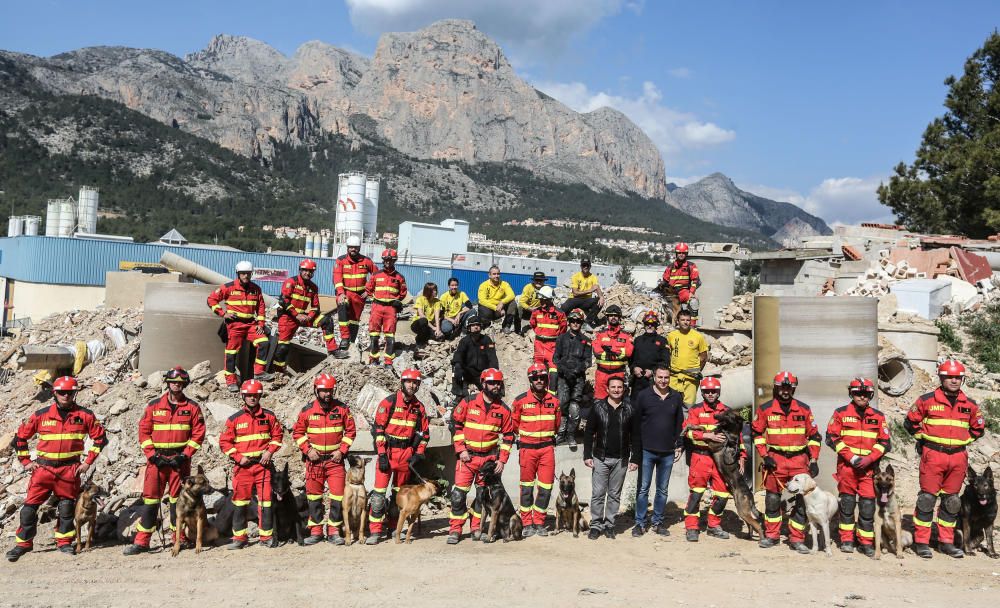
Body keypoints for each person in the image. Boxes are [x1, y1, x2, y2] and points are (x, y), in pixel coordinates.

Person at [7, 376, 107, 562]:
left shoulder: (85, 415)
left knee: (67, 508)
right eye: (62, 392)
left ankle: (64, 542)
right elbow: (19, 439)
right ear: (54, 393)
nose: (66, 396)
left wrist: (88, 462)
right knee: (29, 509)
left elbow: (100, 439)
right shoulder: (41, 415)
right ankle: (23, 544)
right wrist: (27, 462)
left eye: (70, 392)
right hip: (43, 470)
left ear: (75, 393)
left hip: (70, 470)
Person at [904, 359, 985, 559]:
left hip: (958, 457)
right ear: (941, 378)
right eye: (950, 377)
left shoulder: (971, 405)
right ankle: (922, 542)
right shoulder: (926, 400)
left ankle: (945, 542)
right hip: (933, 455)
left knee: (952, 502)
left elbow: (978, 429)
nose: (954, 381)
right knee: (927, 499)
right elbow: (910, 422)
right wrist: (922, 439)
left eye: (958, 377)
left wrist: (963, 440)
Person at [124, 367, 207, 555]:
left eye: (179, 382)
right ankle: (142, 542)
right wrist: (152, 455)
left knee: (177, 501)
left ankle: (179, 539)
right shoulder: (153, 406)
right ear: (167, 383)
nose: (176, 385)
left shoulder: (193, 407)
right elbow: (143, 432)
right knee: (150, 501)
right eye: (172, 382)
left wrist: (185, 455)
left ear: (184, 384)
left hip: (180, 462)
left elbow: (198, 434)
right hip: (157, 461)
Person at [751, 371, 822, 553]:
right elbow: (757, 433)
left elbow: (814, 436)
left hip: (800, 461)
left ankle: (797, 539)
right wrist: (765, 455)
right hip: (776, 460)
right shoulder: (765, 409)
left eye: (789, 388)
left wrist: (814, 460)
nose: (785, 391)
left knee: (801, 501)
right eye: (782, 387)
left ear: (793, 389)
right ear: (776, 388)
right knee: (773, 499)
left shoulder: (804, 409)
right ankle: (772, 536)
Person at [447, 368, 515, 544]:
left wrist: (502, 459)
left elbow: (508, 436)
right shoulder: (468, 402)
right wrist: (460, 449)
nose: (495, 386)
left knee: (481, 496)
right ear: (483, 383)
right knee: (458, 495)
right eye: (491, 383)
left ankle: (476, 527)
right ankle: (455, 529)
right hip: (467, 458)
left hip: (488, 461)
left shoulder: (504, 410)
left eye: (498, 383)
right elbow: (455, 424)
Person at [825, 377, 890, 557]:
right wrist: (851, 457)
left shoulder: (878, 416)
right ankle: (847, 540)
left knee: (867, 506)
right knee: (846, 504)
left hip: (869, 470)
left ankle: (866, 542)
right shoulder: (840, 414)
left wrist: (870, 458)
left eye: (865, 394)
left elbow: (885, 442)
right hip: (847, 468)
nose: (861, 397)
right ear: (851, 394)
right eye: (857, 393)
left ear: (870, 395)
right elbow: (831, 438)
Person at [293, 373, 357, 546]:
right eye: (323, 391)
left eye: (330, 390)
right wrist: (307, 450)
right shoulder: (307, 411)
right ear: (316, 390)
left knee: (337, 496)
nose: (327, 394)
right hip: (314, 462)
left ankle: (334, 531)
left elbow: (351, 432)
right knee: (313, 498)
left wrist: (342, 450)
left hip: (335, 462)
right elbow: (297, 433)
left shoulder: (342, 409)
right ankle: (316, 532)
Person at [219, 379, 284, 549]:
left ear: (260, 396)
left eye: (255, 395)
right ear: (243, 397)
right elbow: (224, 443)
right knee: (240, 502)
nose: (252, 398)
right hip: (243, 468)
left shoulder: (269, 416)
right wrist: (238, 457)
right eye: (249, 395)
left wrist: (269, 452)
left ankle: (266, 537)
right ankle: (240, 538)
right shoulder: (234, 419)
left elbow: (277, 437)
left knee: (266, 502)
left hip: (263, 467)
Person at [368, 368, 430, 544]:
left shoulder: (419, 408)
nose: (412, 385)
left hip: (406, 455)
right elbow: (378, 430)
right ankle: (375, 531)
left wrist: (418, 454)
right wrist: (381, 454)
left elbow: (425, 434)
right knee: (378, 495)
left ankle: (394, 528)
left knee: (400, 495)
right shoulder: (388, 403)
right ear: (402, 383)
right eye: (409, 382)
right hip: (388, 452)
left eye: (415, 382)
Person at [682, 377, 745, 542]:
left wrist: (742, 458)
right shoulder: (695, 410)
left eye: (714, 391)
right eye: (707, 391)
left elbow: (738, 437)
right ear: (702, 392)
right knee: (696, 494)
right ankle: (692, 527)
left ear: (718, 392)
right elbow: (688, 432)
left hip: (721, 460)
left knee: (723, 494)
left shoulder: (727, 411)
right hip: (700, 457)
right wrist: (706, 435)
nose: (710, 394)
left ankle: (714, 525)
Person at [631, 366, 685, 537]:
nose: (663, 380)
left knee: (662, 490)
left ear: (670, 378)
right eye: (660, 377)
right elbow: (636, 424)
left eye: (666, 377)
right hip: (647, 450)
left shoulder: (676, 396)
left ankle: (658, 522)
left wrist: (679, 444)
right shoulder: (643, 396)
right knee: (643, 489)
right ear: (654, 377)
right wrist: (636, 450)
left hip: (668, 451)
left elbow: (679, 424)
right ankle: (640, 523)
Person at [584, 377, 638, 540]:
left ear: (624, 389)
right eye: (613, 387)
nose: (616, 390)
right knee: (598, 493)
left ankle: (609, 525)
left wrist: (635, 458)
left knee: (614, 494)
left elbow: (635, 435)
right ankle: (595, 525)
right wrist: (587, 455)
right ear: (607, 389)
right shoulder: (598, 407)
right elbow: (588, 432)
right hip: (600, 457)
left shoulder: (630, 408)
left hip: (621, 459)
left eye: (619, 387)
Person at [511, 363, 562, 537]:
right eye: (535, 378)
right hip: (527, 450)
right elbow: (515, 425)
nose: (539, 381)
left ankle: (539, 521)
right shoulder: (520, 401)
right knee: (526, 488)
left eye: (542, 378)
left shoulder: (554, 401)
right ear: (530, 380)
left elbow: (557, 425)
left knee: (546, 487)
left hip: (547, 449)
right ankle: (526, 522)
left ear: (547, 379)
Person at [207, 260, 270, 391]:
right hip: (235, 325)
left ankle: (258, 372)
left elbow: (261, 307)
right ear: (238, 274)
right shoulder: (228, 287)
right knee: (231, 353)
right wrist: (223, 313)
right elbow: (211, 300)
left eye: (248, 273)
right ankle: (231, 382)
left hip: (251, 324)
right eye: (243, 274)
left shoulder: (256, 289)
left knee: (264, 342)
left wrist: (261, 323)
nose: (246, 276)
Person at [274, 259, 336, 370]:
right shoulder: (291, 282)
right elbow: (283, 300)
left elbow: (316, 307)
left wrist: (310, 317)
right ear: (300, 270)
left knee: (327, 320)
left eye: (310, 271)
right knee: (283, 346)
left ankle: (332, 350)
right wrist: (296, 315)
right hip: (288, 317)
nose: (307, 273)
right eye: (305, 270)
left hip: (303, 317)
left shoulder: (313, 287)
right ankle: (279, 372)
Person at [331, 235, 376, 358]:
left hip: (360, 295)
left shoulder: (366, 261)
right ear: (347, 248)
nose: (353, 250)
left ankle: (351, 342)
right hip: (345, 293)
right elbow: (337, 278)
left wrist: (369, 291)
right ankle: (345, 338)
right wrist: (340, 293)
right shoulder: (340, 261)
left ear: (359, 248)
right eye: (351, 247)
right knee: (343, 309)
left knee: (354, 320)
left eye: (355, 248)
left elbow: (377, 276)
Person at [554, 308, 592, 447]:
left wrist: (577, 369)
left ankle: (571, 435)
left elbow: (588, 361)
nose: (575, 323)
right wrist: (563, 370)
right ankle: (560, 434)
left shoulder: (586, 341)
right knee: (562, 405)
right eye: (573, 321)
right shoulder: (561, 338)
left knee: (575, 407)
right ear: (569, 322)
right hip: (563, 377)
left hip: (578, 378)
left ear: (581, 323)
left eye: (578, 321)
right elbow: (555, 358)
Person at [366, 249, 408, 367]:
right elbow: (369, 289)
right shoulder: (376, 275)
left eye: (391, 260)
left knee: (390, 336)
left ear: (394, 261)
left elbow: (403, 292)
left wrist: (397, 301)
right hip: (377, 307)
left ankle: (388, 361)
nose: (388, 262)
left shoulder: (399, 277)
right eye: (386, 260)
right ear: (383, 260)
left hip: (390, 309)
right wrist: (372, 300)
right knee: (374, 335)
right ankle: (373, 359)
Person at [667, 309, 708, 410]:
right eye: (683, 320)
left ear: (690, 321)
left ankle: (687, 425)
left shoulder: (698, 337)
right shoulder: (671, 336)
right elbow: (667, 354)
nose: (685, 322)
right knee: (671, 404)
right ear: (678, 321)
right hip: (674, 376)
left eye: (688, 320)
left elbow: (703, 356)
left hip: (691, 378)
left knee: (688, 406)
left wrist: (697, 371)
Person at [450, 315, 499, 398]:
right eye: (473, 325)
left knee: (496, 378)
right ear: (469, 328)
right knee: (456, 369)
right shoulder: (464, 341)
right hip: (468, 372)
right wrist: (457, 365)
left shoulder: (486, 340)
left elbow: (492, 357)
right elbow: (459, 354)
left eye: (477, 325)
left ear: (481, 327)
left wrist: (493, 370)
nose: (476, 327)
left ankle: (496, 397)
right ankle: (458, 395)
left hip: (482, 373)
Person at [592, 304, 633, 401]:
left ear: (619, 318)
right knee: (600, 402)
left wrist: (609, 351)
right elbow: (597, 352)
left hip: (618, 374)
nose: (613, 317)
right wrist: (618, 353)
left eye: (616, 315)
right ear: (607, 317)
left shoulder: (626, 336)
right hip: (602, 374)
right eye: (611, 315)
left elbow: (628, 353)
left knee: (618, 401)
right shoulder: (600, 335)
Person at [529, 285, 566, 393]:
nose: (541, 302)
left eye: (543, 299)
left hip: (553, 345)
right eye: (540, 299)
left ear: (550, 299)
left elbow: (563, 329)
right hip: (539, 344)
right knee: (537, 371)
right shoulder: (536, 312)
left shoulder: (559, 313)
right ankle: (536, 394)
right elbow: (533, 324)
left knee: (554, 371)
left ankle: (551, 396)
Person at [631, 310, 670, 396]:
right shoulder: (638, 340)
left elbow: (666, 361)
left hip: (653, 381)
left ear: (656, 325)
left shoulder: (662, 340)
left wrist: (653, 371)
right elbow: (631, 359)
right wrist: (634, 368)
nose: (649, 326)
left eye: (652, 324)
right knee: (635, 406)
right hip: (637, 380)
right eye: (647, 323)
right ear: (644, 324)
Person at [661, 243, 701, 325]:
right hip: (672, 293)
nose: (681, 255)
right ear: (676, 253)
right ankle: (670, 325)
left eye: (683, 253)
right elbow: (665, 282)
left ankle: (693, 326)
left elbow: (695, 280)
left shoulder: (691, 266)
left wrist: (691, 293)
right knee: (666, 308)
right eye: (679, 253)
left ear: (686, 254)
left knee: (694, 302)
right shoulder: (670, 267)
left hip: (684, 292)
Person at [560, 258, 603, 326]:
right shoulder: (576, 276)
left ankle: (587, 323)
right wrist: (590, 290)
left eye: (587, 265)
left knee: (599, 302)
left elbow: (597, 288)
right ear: (581, 266)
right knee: (564, 307)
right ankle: (560, 320)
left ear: (590, 267)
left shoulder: (593, 277)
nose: (585, 267)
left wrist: (601, 297)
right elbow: (575, 293)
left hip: (586, 301)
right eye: (584, 265)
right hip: (575, 299)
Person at [477, 265, 517, 333]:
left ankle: (506, 326)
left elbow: (512, 295)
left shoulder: (504, 284)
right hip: (489, 309)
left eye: (498, 274)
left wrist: (502, 302)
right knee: (483, 307)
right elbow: (482, 300)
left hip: (499, 309)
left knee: (513, 303)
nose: (496, 276)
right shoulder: (483, 285)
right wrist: (496, 308)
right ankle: (485, 326)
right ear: (489, 275)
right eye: (494, 274)